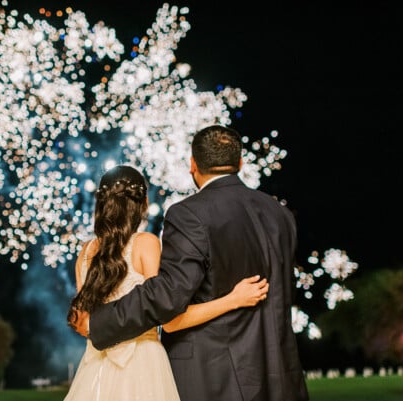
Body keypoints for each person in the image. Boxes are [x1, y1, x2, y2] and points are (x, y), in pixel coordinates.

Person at [72, 126, 309, 401]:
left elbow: (167, 298)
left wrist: (99, 323)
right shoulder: (280, 215)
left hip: (214, 375)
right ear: (241, 162)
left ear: (193, 165)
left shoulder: (189, 214)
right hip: (279, 373)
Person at [65, 164, 269, 401]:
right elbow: (170, 319)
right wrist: (233, 300)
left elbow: (82, 324)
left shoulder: (85, 252)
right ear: (143, 204)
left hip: (95, 370)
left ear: (100, 203)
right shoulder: (145, 243)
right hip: (141, 365)